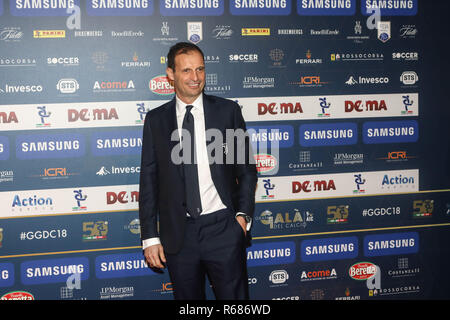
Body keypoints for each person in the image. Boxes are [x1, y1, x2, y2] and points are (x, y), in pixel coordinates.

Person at [139, 42, 257, 300]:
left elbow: (246, 169)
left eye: (200, 69)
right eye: (187, 71)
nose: (195, 78)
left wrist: (242, 218)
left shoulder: (227, 111)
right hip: (179, 235)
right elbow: (149, 181)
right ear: (170, 74)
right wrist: (150, 237)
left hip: (224, 229)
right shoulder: (156, 120)